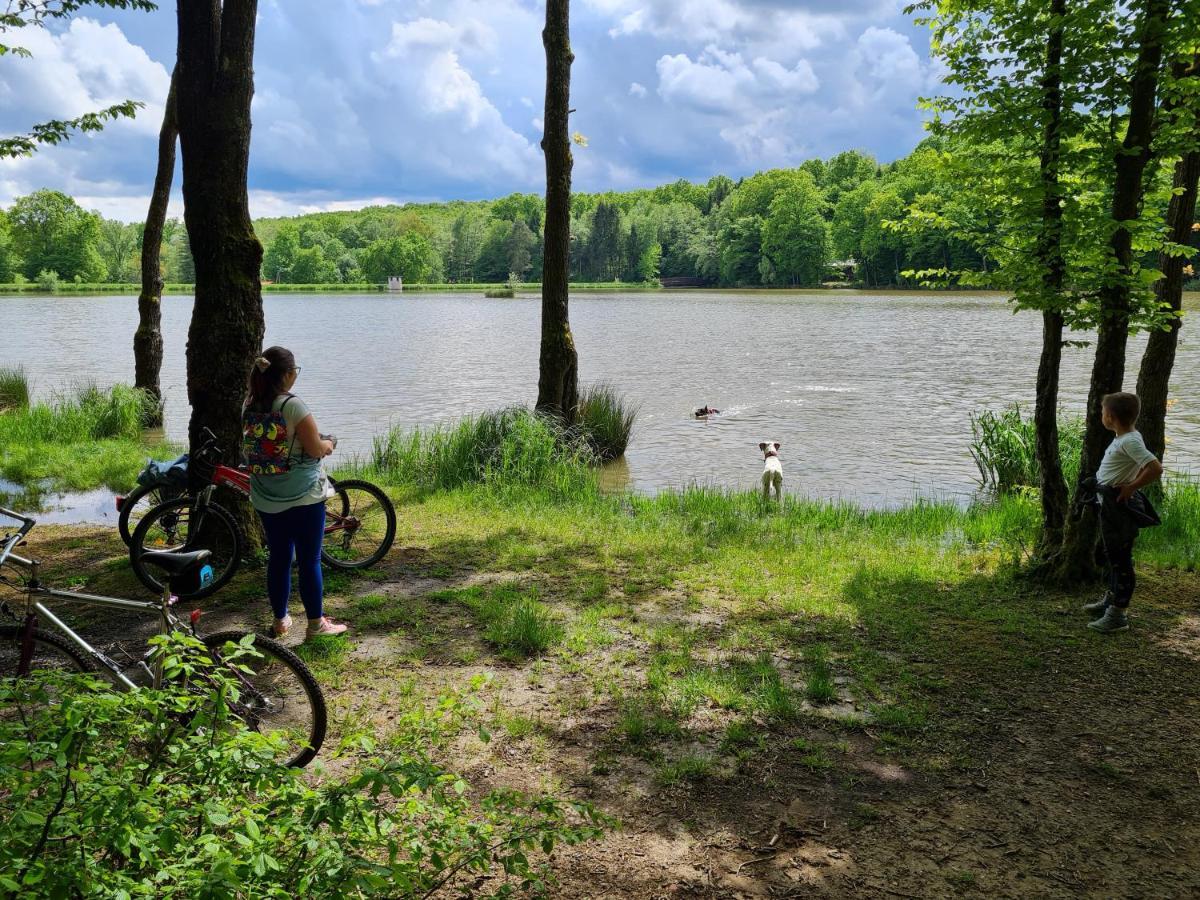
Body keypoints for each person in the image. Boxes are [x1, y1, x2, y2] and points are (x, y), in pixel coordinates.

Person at [242, 346, 347, 639]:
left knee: (278, 557)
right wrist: (329, 444)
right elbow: (314, 449)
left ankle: (280, 621)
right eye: (294, 372)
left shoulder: (249, 405)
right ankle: (316, 624)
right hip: (304, 495)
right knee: (310, 559)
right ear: (287, 374)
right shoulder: (293, 406)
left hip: (266, 495)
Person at [1083, 391, 1163, 634]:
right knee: (1112, 556)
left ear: (1111, 416)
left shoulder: (1130, 440)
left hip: (1118, 509)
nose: (1101, 415)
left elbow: (1155, 468)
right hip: (1108, 506)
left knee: (1120, 560)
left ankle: (1118, 614)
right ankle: (1111, 600)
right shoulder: (1124, 436)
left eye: (1102, 412)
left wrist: (1131, 487)